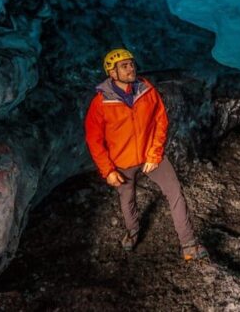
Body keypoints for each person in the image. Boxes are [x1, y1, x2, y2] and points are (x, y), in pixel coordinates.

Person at [84, 48, 208, 261]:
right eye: (124, 66)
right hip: (122, 161)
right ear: (112, 73)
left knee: (175, 191)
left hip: (151, 156)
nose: (131, 68)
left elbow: (161, 121)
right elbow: (94, 139)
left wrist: (154, 154)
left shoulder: (146, 89)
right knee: (128, 198)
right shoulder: (101, 102)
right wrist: (108, 171)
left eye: (131, 63)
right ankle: (132, 233)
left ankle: (189, 245)